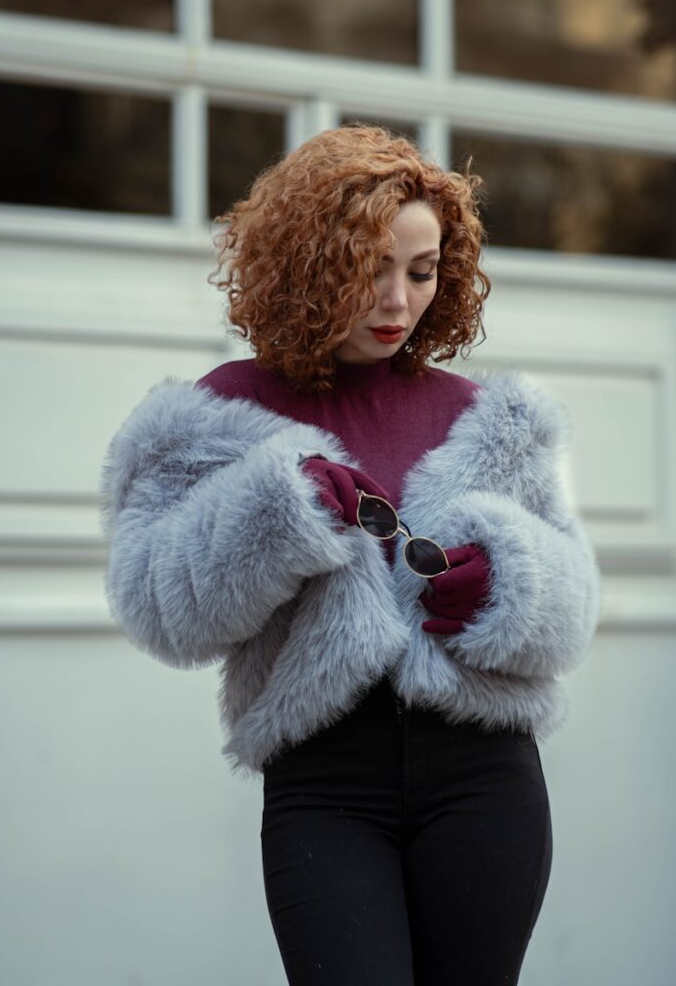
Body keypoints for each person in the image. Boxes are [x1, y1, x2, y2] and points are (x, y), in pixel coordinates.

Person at [100, 125, 600, 985]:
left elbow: (573, 608)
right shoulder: (219, 413)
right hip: (326, 789)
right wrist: (277, 511)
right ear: (308, 259)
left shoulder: (492, 417)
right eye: (370, 266)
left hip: (485, 780)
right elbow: (156, 604)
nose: (398, 301)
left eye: (422, 269)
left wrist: (504, 586)